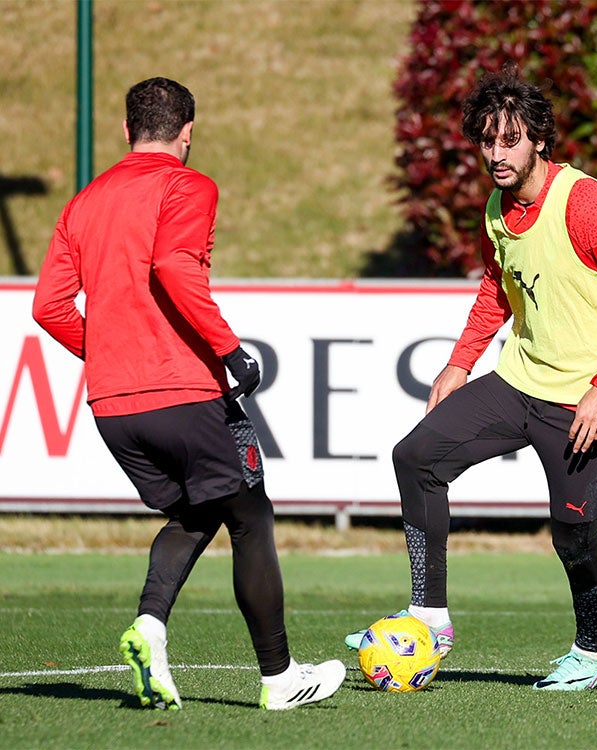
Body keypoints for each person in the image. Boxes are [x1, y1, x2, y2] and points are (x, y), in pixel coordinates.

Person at [345, 63, 597, 691]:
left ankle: (592, 652)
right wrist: (461, 361)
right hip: (519, 382)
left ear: (539, 140)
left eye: (510, 139)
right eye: (487, 140)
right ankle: (429, 619)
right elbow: (498, 287)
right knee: (416, 457)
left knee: (574, 531)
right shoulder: (498, 204)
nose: (496, 153)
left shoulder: (587, 205)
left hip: (588, 400)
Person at [33, 77, 345, 711]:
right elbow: (174, 266)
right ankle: (281, 678)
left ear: (126, 131)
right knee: (251, 517)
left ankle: (150, 628)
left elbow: (48, 307)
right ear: (188, 133)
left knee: (198, 513)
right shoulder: (188, 185)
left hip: (113, 407)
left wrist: (111, 354)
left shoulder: (83, 203)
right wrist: (231, 351)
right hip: (183, 390)